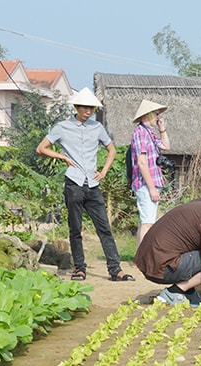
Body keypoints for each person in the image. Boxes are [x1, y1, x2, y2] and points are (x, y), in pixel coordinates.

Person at [36, 87, 134, 282]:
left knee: (104, 227)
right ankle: (79, 268)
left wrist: (104, 171)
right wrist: (61, 156)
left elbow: (111, 150)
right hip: (73, 182)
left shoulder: (97, 127)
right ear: (76, 107)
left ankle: (115, 269)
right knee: (75, 228)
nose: (88, 111)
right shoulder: (62, 127)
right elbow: (41, 148)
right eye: (85, 108)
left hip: (92, 184)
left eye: (91, 108)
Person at [130, 100, 171, 244]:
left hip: (152, 182)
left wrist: (162, 129)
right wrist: (152, 188)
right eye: (156, 114)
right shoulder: (140, 133)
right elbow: (142, 163)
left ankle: (141, 256)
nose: (158, 117)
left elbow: (166, 146)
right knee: (148, 222)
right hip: (145, 183)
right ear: (146, 115)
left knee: (147, 220)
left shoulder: (149, 133)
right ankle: (143, 257)